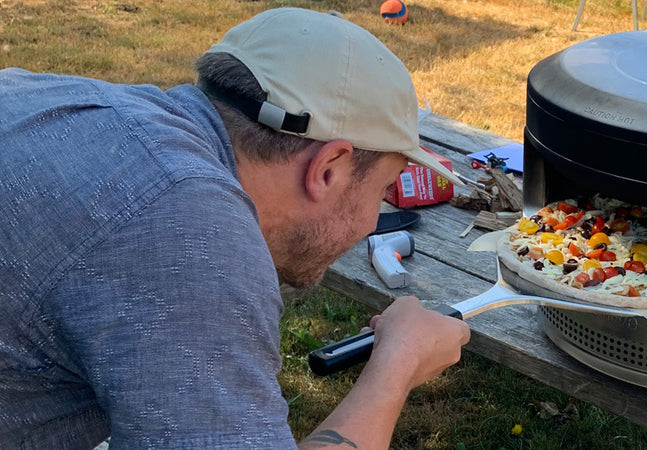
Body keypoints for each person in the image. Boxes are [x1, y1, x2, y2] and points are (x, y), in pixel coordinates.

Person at [0, 7, 470, 449]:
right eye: (383, 189)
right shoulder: (187, 233)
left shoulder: (57, 98)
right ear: (328, 169)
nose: (373, 221)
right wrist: (397, 365)